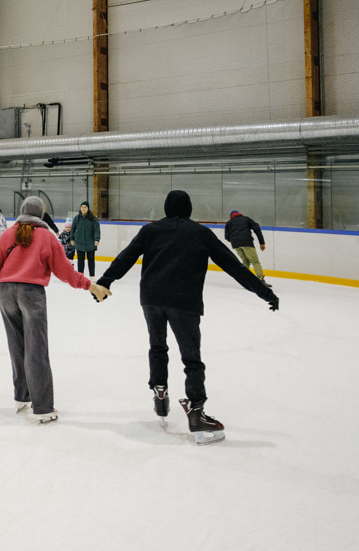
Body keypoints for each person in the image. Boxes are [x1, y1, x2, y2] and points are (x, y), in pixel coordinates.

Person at [95, 190, 280, 445]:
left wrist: (105, 281)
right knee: (192, 359)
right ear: (190, 208)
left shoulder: (150, 230)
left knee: (157, 347)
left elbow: (126, 257)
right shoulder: (200, 233)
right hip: (184, 302)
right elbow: (233, 266)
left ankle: (160, 394)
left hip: (151, 299)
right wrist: (264, 292)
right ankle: (196, 412)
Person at [0, 196, 111, 424]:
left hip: (6, 294)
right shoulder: (46, 237)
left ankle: (22, 397)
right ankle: (43, 408)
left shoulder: (9, 234)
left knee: (17, 347)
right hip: (31, 295)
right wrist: (90, 285)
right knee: (36, 350)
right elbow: (65, 272)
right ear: (41, 214)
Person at [225, 209, 270, 286]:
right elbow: (256, 229)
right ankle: (260, 279)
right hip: (247, 242)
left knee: (245, 261)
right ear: (239, 214)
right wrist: (262, 242)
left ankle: (243, 279)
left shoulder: (229, 223)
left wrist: (235, 240)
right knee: (255, 261)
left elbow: (227, 237)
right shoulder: (246, 219)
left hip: (236, 245)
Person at [70, 201, 101, 276]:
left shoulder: (93, 219)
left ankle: (92, 276)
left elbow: (96, 229)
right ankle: (80, 276)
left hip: (90, 243)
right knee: (80, 260)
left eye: (85, 207)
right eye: (82, 207)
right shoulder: (77, 218)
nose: (83, 209)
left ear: (88, 208)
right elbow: (73, 229)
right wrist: (72, 239)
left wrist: (97, 239)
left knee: (91, 260)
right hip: (79, 242)